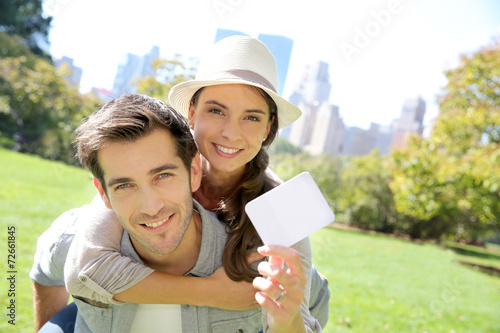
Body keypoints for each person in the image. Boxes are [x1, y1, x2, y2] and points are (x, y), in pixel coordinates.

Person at [36, 36, 329, 331]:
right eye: (217, 110)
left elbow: (297, 311)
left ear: (268, 127)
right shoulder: (156, 160)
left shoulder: (281, 203)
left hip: (302, 288)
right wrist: (214, 292)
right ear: (191, 112)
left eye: (251, 117)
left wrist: (286, 314)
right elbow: (85, 266)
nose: (231, 133)